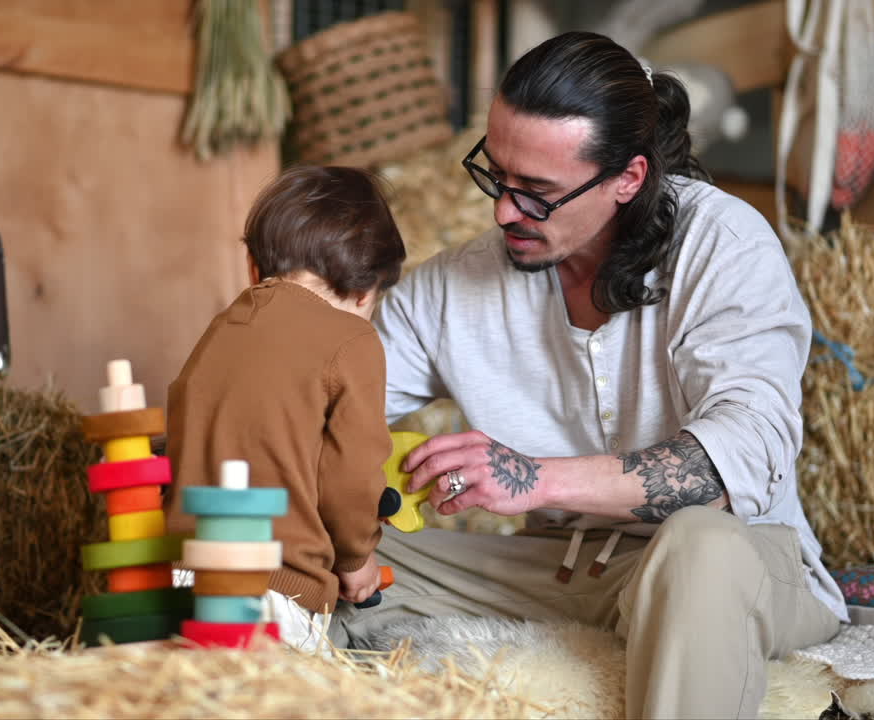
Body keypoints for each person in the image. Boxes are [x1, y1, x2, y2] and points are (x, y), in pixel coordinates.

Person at [329, 32, 847, 719]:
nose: (504, 211)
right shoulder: (457, 283)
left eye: (537, 192)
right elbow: (337, 405)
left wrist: (532, 477)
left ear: (628, 180)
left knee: (698, 546)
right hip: (563, 570)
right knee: (318, 540)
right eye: (496, 175)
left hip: (734, 563)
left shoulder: (726, 245)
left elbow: (738, 461)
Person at [165, 165, 405, 652]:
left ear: (254, 267)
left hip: (182, 575)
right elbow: (351, 478)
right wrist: (356, 560)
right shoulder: (355, 339)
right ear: (365, 290)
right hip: (273, 591)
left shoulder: (222, 330)